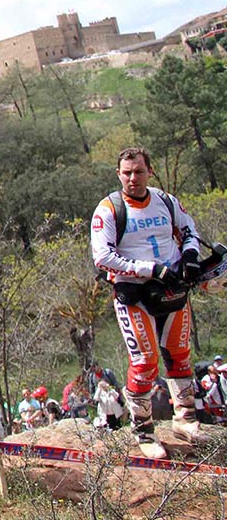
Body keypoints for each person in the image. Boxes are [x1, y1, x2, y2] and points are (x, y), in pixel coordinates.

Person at [90, 146, 212, 457]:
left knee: (179, 354)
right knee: (144, 363)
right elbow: (102, 256)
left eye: (139, 171)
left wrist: (190, 256)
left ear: (150, 171)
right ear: (118, 174)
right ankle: (143, 429)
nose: (133, 178)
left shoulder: (166, 201)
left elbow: (189, 230)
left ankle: (185, 417)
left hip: (173, 288)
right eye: (127, 172)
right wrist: (150, 269)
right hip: (134, 293)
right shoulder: (109, 209)